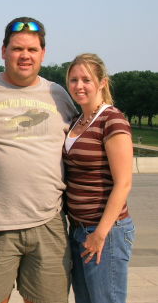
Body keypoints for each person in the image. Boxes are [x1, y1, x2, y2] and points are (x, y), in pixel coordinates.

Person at [0, 17, 77, 303]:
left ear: (43, 53)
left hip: (48, 222)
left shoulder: (59, 95)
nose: (25, 56)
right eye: (17, 49)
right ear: (3, 51)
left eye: (32, 49)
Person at [63, 53, 135, 303]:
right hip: (79, 230)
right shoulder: (76, 121)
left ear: (102, 82)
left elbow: (123, 183)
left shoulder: (112, 120)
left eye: (86, 79)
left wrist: (100, 233)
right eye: (73, 80)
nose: (79, 86)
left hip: (106, 231)